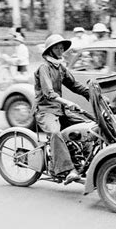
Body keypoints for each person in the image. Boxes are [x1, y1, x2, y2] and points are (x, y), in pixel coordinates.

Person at [34, 34, 90, 184]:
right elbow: (48, 93)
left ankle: (86, 162)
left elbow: (75, 85)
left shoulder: (60, 67)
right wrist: (66, 102)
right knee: (55, 133)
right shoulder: (44, 68)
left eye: (61, 48)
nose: (60, 50)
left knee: (88, 127)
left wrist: (91, 94)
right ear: (50, 50)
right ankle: (67, 170)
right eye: (57, 48)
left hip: (60, 110)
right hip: (45, 110)